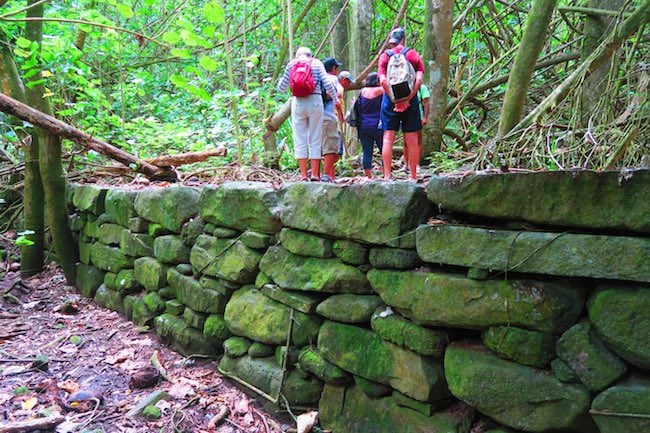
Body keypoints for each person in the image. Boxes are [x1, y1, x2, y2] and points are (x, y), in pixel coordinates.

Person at [278, 47, 338, 181]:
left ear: (297, 55)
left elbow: (281, 88)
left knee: (300, 138)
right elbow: (327, 83)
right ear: (310, 56)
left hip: (298, 102)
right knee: (315, 138)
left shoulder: (292, 64)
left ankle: (304, 175)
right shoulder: (316, 63)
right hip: (315, 101)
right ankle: (315, 175)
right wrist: (336, 99)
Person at [377, 27, 424, 180]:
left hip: (389, 101)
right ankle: (413, 176)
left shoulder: (385, 56)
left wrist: (393, 99)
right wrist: (407, 99)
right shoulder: (412, 54)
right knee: (412, 139)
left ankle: (386, 175)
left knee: (388, 138)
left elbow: (383, 80)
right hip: (410, 101)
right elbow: (419, 79)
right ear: (404, 38)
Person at [355, 72, 384, 178]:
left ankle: (368, 176)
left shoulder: (362, 92)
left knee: (367, 151)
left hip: (364, 126)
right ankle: (386, 173)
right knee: (383, 150)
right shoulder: (382, 90)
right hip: (379, 126)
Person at [321, 57, 345, 182]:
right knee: (332, 147)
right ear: (334, 68)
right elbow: (337, 98)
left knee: (321, 146)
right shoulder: (333, 79)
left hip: (315, 116)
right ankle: (327, 176)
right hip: (329, 116)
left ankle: (318, 174)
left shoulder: (318, 78)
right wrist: (341, 115)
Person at [404, 83, 430, 172]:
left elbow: (426, 102)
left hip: (418, 116)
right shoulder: (405, 85)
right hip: (406, 115)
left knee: (418, 140)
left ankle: (416, 164)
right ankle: (406, 164)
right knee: (405, 141)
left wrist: (425, 118)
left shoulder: (421, 87)